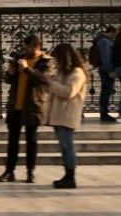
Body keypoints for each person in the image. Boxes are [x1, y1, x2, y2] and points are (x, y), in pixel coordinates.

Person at [0, 34, 53, 183]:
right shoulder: (19, 58)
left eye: (29, 49)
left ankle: (30, 172)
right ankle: (9, 171)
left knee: (31, 140)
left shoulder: (46, 61)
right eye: (24, 48)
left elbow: (42, 79)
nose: (26, 51)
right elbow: (8, 80)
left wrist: (26, 69)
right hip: (15, 105)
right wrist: (10, 73)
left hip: (33, 105)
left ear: (37, 47)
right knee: (12, 141)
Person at [40, 44, 87, 188]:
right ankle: (67, 175)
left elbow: (69, 92)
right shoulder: (63, 72)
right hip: (59, 113)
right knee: (64, 145)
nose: (56, 62)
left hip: (67, 114)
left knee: (67, 145)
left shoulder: (77, 72)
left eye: (58, 58)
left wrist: (50, 83)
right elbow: (54, 87)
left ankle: (71, 177)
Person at [96, 25, 118, 122]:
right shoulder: (104, 41)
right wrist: (110, 71)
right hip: (105, 70)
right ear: (112, 32)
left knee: (107, 91)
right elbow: (105, 58)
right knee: (106, 92)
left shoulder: (105, 40)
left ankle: (104, 113)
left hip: (105, 69)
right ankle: (104, 113)